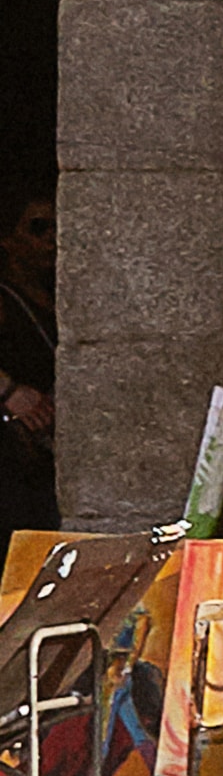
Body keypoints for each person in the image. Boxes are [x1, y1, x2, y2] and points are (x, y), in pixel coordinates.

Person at [0, 184, 53, 535]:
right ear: (8, 239)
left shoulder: (52, 295)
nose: (51, 237)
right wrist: (11, 392)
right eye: (37, 227)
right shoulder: (4, 297)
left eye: (55, 226)